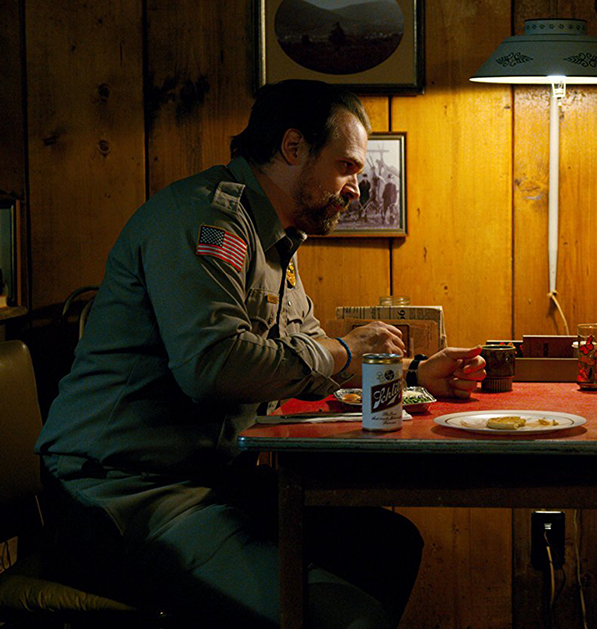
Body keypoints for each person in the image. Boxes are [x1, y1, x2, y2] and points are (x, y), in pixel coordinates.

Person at [35, 80, 486, 629]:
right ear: (293, 148)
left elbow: (307, 355)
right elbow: (214, 367)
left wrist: (415, 374)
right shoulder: (205, 221)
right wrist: (346, 351)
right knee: (348, 618)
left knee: (388, 544)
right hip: (119, 496)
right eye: (346, 167)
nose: (355, 189)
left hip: (208, 481)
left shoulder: (273, 235)